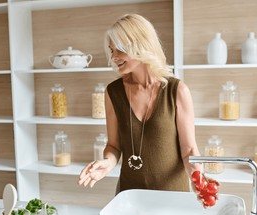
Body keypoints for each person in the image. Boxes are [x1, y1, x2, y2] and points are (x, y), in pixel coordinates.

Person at [78, 14, 202, 193]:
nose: (114, 57)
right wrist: (107, 162)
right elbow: (114, 145)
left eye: (119, 49)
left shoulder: (177, 90)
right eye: (111, 51)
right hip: (129, 195)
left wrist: (198, 180)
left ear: (140, 46)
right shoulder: (113, 92)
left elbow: (189, 149)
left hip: (172, 195)